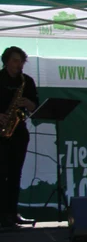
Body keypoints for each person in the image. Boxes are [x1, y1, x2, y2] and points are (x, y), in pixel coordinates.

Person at [0, 46, 38, 228]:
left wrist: (29, 103)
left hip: (18, 130)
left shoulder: (27, 81)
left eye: (21, 61)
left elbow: (35, 107)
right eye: (15, 60)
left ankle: (12, 212)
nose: (19, 64)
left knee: (16, 173)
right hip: (1, 130)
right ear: (6, 61)